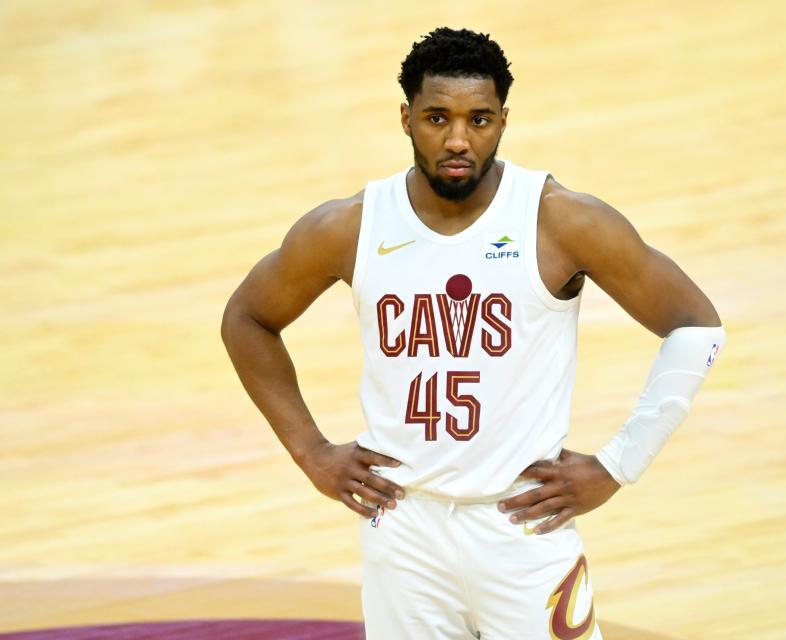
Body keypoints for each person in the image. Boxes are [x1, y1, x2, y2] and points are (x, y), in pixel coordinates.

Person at [221, 27, 726, 640]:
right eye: (437, 118)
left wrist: (618, 465)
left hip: (520, 526)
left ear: (504, 121)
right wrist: (311, 452)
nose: (458, 139)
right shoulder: (351, 225)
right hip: (402, 527)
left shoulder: (561, 220)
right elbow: (246, 319)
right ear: (406, 119)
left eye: (479, 119)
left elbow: (696, 326)